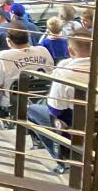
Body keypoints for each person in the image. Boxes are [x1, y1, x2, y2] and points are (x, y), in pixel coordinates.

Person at [26, 28, 92, 174]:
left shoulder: (64, 73)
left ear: (70, 50)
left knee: (32, 110)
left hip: (74, 126)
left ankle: (61, 159)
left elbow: (55, 109)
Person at [0, 25, 54, 123]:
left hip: (14, 100)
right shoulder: (43, 50)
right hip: (42, 95)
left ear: (8, 41)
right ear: (28, 38)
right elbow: (51, 72)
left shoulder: (3, 55)